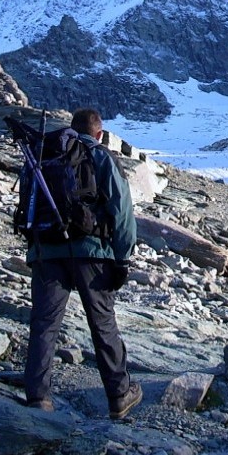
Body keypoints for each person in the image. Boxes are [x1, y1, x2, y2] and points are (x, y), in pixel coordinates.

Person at [24, 107, 142, 420]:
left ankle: (38, 397)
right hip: (91, 252)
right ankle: (119, 396)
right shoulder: (99, 155)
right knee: (102, 324)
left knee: (44, 324)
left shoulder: (44, 155)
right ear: (99, 133)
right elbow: (121, 208)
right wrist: (122, 257)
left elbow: (28, 204)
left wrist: (34, 249)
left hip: (47, 250)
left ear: (71, 128)